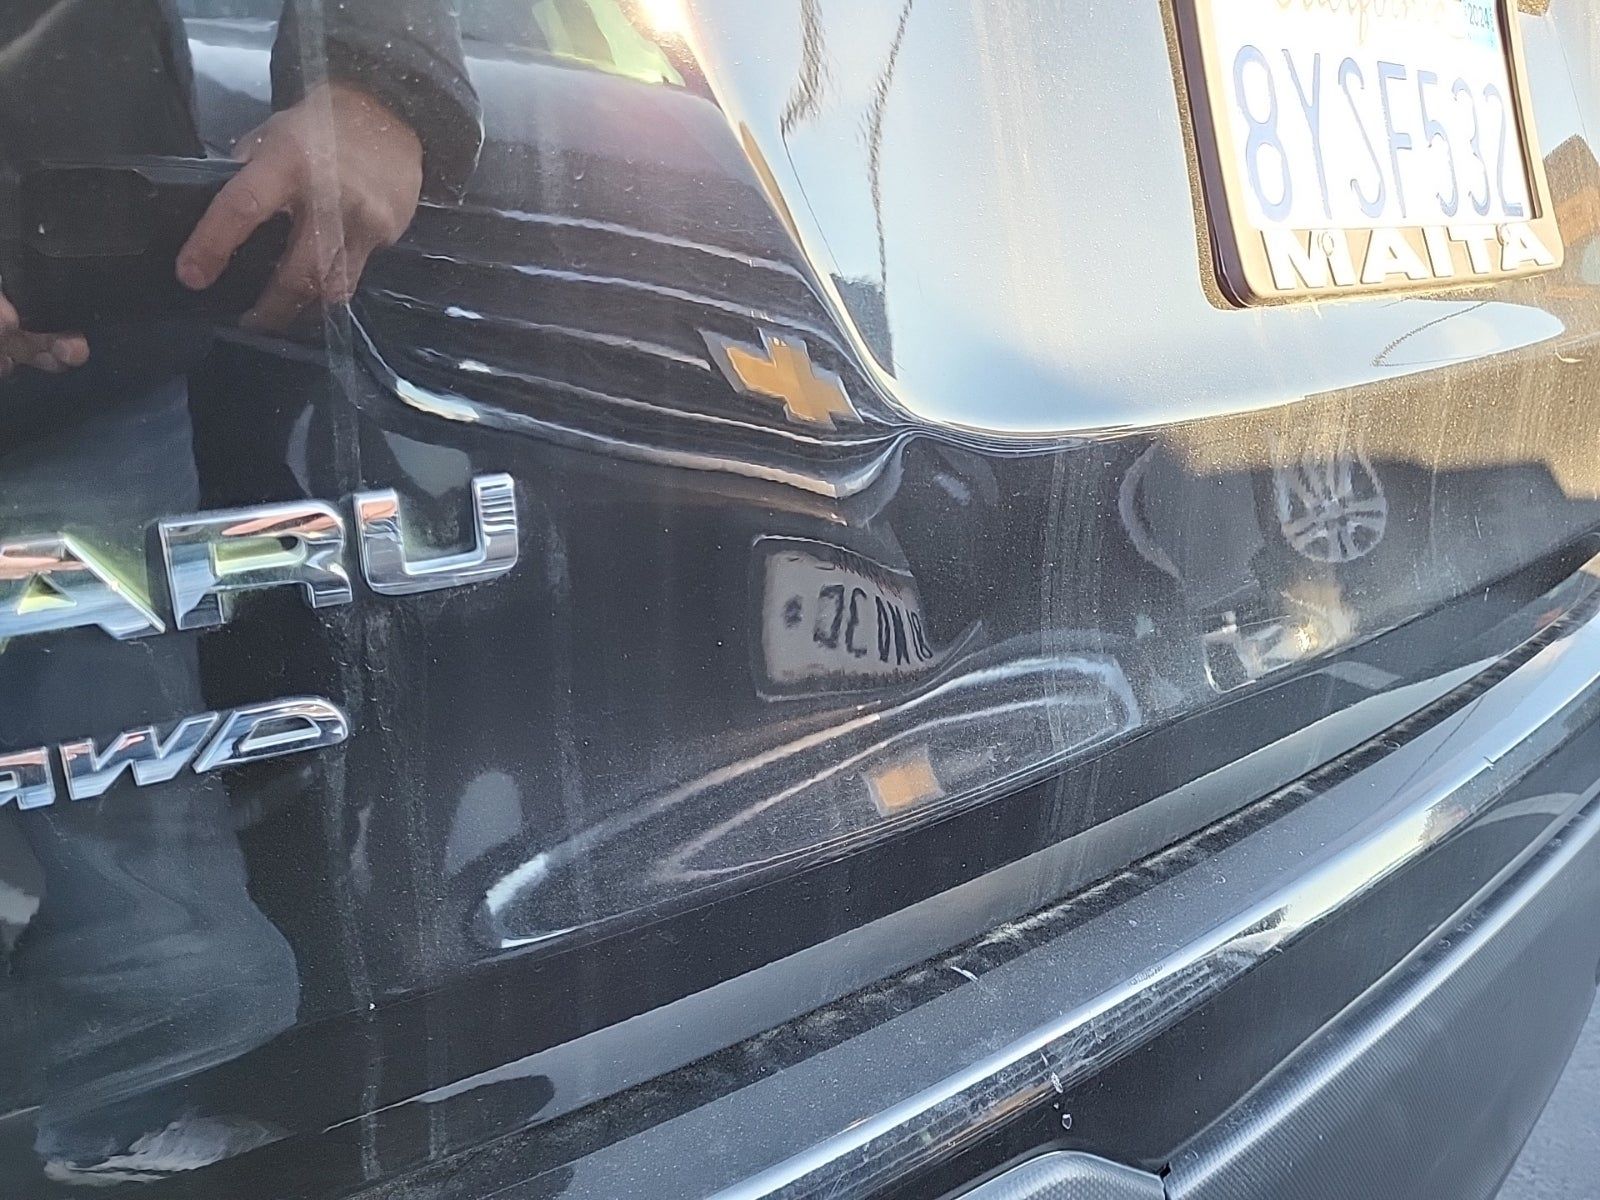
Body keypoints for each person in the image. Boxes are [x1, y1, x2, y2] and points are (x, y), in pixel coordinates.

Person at [0, 0, 481, 1187]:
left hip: (90, 366)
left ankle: (118, 1135)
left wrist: (379, 77)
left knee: (136, 869)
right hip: (89, 367)